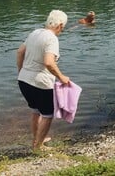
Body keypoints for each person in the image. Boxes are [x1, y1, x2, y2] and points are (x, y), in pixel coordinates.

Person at [17, 10, 71, 151]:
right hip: (40, 83)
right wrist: (62, 77)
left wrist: (21, 71)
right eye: (63, 27)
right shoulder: (52, 39)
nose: (62, 30)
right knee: (47, 114)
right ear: (59, 25)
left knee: (35, 111)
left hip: (23, 81)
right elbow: (49, 62)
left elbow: (20, 52)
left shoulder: (35, 33)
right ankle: (38, 147)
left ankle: (36, 139)